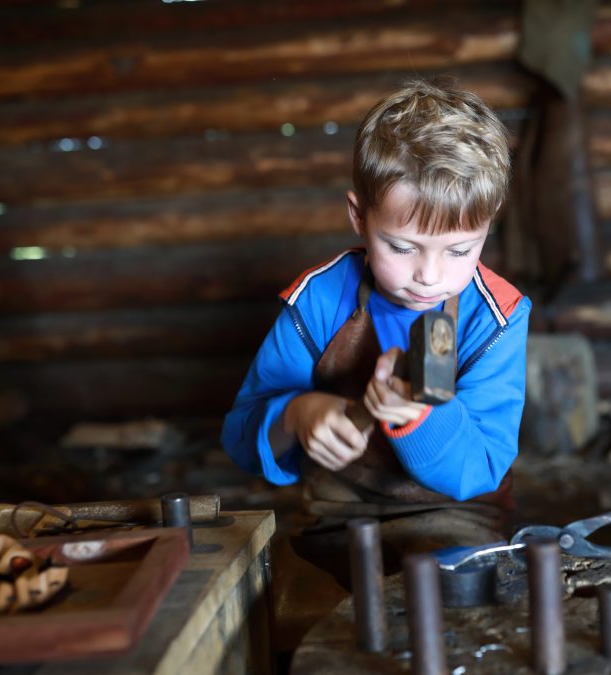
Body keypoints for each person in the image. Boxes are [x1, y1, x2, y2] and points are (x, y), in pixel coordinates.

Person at [221, 79, 531, 646]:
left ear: (489, 225)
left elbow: (479, 469)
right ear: (358, 216)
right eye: (402, 246)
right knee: (293, 632)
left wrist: (417, 420)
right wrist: (296, 415)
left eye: (460, 250)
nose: (429, 277)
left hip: (456, 521)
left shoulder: (496, 319)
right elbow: (241, 436)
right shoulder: (317, 302)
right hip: (335, 522)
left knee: (440, 630)